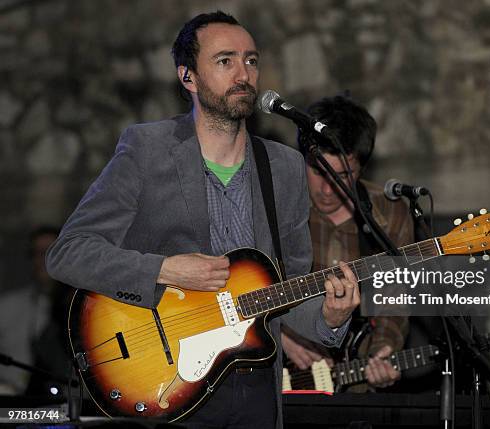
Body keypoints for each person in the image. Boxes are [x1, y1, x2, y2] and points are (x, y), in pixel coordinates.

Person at [45, 11, 359, 429]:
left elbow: (288, 289)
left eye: (251, 60)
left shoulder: (283, 167)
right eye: (225, 61)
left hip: (256, 388)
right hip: (167, 384)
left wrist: (329, 320)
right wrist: (164, 269)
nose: (243, 73)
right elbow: (67, 254)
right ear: (187, 76)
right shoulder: (146, 149)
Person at [281, 95, 414, 390]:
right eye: (318, 172)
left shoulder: (390, 212)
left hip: (355, 379)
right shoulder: (279, 205)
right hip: (280, 378)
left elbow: (394, 296)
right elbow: (247, 284)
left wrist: (385, 349)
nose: (327, 189)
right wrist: (283, 335)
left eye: (343, 175)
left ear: (362, 168)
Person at [0, 226, 72, 396]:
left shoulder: (82, 310)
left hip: (66, 406)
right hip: (14, 405)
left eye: (50, 252)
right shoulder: (7, 306)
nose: (43, 260)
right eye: (38, 253)